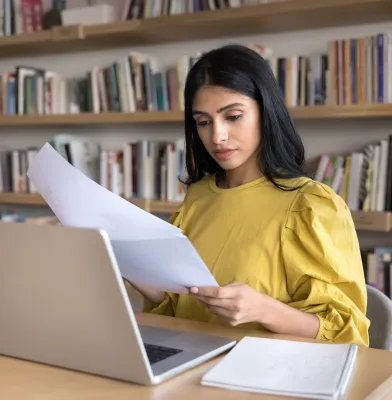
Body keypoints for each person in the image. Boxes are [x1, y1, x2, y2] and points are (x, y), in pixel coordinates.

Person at [129, 44, 370, 347]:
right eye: (203, 122)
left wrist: (264, 310)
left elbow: (348, 333)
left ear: (266, 112)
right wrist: (138, 273)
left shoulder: (311, 205)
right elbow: (180, 312)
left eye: (233, 116)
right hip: (190, 370)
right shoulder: (197, 198)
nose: (217, 136)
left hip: (268, 378)